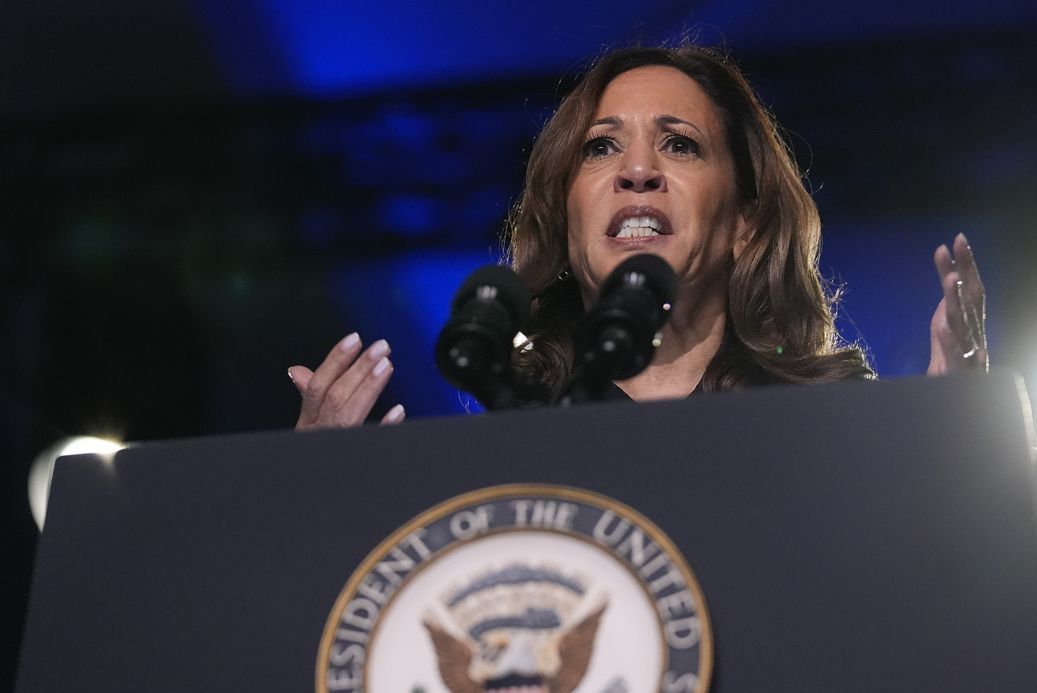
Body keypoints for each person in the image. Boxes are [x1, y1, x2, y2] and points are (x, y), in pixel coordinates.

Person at [287, 44, 988, 424]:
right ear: (567, 223)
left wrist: (952, 454)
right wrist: (327, 495)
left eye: (680, 144)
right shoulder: (507, 443)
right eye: (600, 148)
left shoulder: (844, 427)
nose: (638, 171)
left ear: (745, 224)